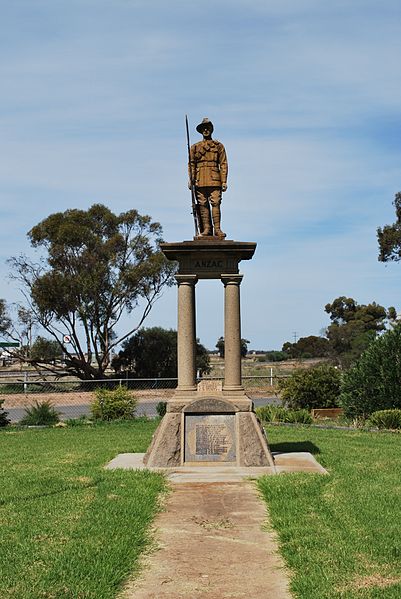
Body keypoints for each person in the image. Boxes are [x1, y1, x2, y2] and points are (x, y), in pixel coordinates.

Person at [188, 118, 228, 239]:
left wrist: (224, 180)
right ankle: (206, 229)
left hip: (215, 178)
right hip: (200, 179)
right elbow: (191, 164)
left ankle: (218, 229)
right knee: (202, 205)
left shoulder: (218, 146)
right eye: (203, 128)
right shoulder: (195, 147)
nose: (205, 130)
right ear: (201, 131)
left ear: (211, 129)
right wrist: (191, 179)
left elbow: (223, 163)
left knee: (216, 203)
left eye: (207, 127)